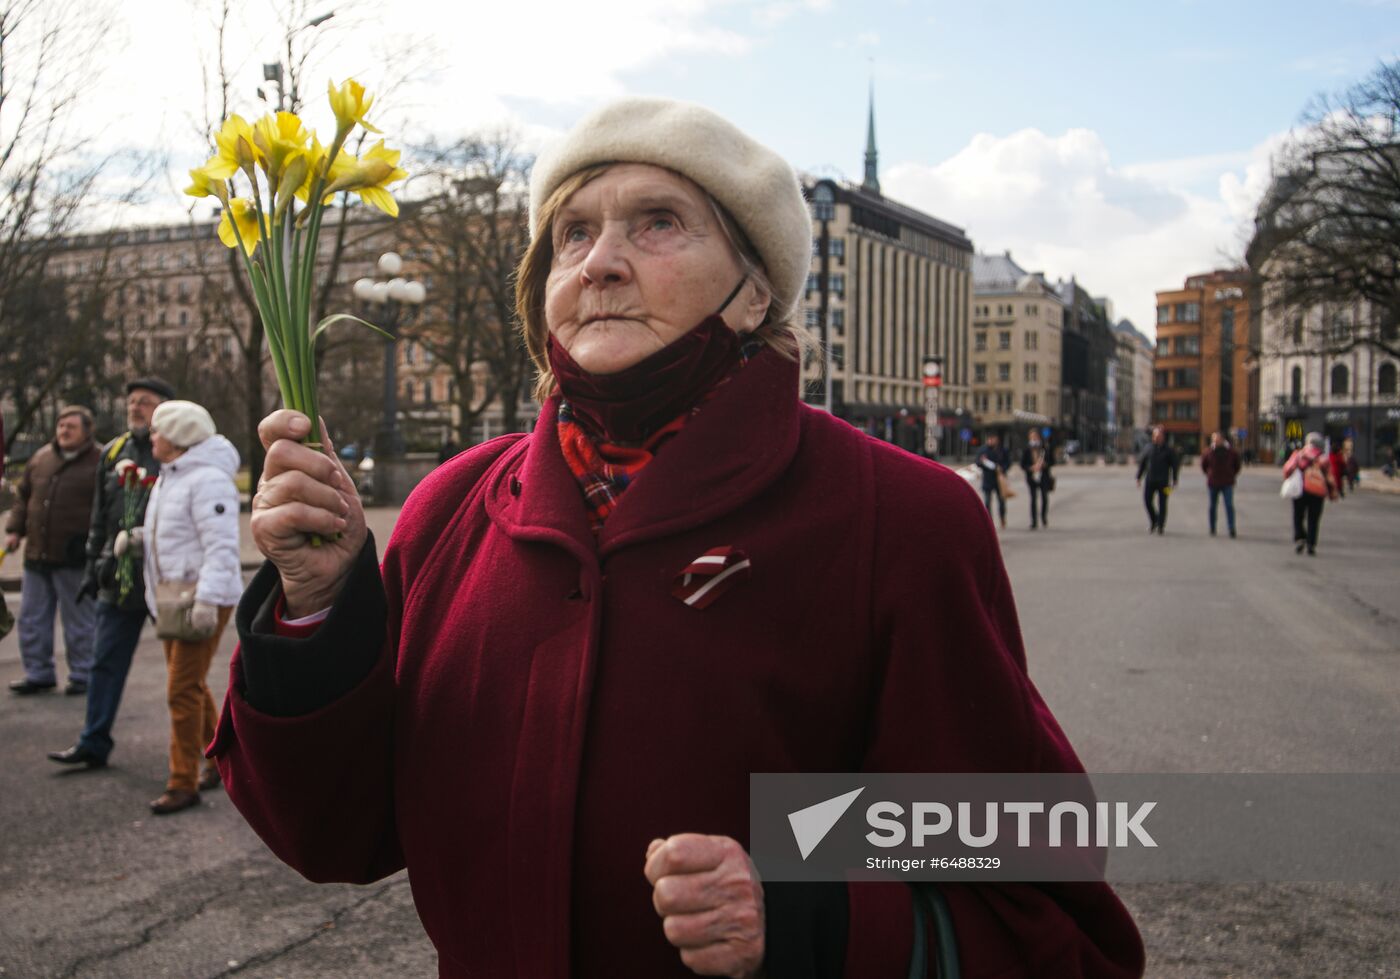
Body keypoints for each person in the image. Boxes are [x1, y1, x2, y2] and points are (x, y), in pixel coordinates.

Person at [210, 97, 1144, 977]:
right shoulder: (453, 508)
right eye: (573, 232)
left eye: (657, 222)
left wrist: (807, 916)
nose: (599, 262)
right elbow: (341, 834)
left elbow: (1035, 887)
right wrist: (321, 611)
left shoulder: (900, 520)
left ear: (753, 293)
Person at [48, 378, 173, 771]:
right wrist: (92, 567)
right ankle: (93, 740)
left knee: (184, 671)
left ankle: (207, 752)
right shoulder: (114, 451)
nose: (135, 408)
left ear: (167, 410)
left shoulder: (175, 452)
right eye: (132, 401)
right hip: (116, 576)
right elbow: (99, 516)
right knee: (104, 662)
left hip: (165, 579)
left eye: (145, 402)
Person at [140, 401, 242, 814]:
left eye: (157, 431)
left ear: (178, 436)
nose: (152, 437)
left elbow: (222, 546)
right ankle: (217, 758)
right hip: (176, 595)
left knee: (181, 688)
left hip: (200, 597)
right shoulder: (175, 476)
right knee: (190, 683)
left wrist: (207, 600)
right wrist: (137, 536)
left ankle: (183, 782)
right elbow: (175, 533)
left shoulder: (207, 480)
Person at [4, 407, 100, 694]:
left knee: (80, 620)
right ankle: (38, 672)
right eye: (60, 425)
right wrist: (14, 530)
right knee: (32, 618)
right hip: (37, 553)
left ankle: (83, 674)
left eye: (71, 426)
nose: (63, 430)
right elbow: (23, 497)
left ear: (87, 430)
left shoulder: (101, 459)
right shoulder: (41, 458)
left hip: (73, 556)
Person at [1283, 432, 1338, 556]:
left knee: (1298, 516)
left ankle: (1300, 538)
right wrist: (1333, 493)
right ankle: (1311, 544)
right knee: (1314, 519)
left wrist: (1289, 478)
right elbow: (1330, 478)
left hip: (1300, 490)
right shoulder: (1323, 459)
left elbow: (1287, 469)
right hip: (1317, 492)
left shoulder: (1298, 455)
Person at [1135, 426, 1179, 534]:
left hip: (1164, 482)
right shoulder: (1148, 448)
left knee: (1163, 503)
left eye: (1159, 436)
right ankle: (1154, 520)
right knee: (1147, 501)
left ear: (1163, 437)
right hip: (1150, 480)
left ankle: (1160, 525)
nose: (1157, 438)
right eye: (1155, 436)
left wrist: (1175, 479)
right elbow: (1143, 464)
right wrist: (1138, 477)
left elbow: (1174, 465)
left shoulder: (1169, 450)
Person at [1200, 431, 1241, 538]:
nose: (1215, 441)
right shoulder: (1208, 452)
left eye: (1217, 439)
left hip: (1227, 482)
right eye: (1214, 439)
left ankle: (1231, 528)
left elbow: (1237, 465)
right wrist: (1209, 474)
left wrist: (1232, 474)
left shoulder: (1231, 452)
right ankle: (1212, 527)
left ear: (1222, 440)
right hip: (1213, 482)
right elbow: (1204, 465)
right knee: (1212, 506)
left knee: (1229, 505)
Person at [975, 432, 1011, 528]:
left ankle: (1002, 517)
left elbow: (1008, 462)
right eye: (989, 439)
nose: (991, 441)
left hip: (999, 479)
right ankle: (989, 522)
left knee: (1001, 501)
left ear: (997, 440)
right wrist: (982, 461)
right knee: (987, 502)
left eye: (993, 439)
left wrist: (1002, 468)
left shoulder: (1002, 450)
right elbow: (977, 463)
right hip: (987, 479)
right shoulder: (983, 450)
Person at [1020, 431, 1053, 529]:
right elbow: (1022, 464)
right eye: (1032, 436)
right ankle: (1034, 521)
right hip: (1032, 477)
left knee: (1044, 498)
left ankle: (1043, 517)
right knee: (1033, 499)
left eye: (1035, 436)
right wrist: (1030, 468)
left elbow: (1052, 461)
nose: (1034, 438)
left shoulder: (1044, 448)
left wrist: (1045, 465)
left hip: (1043, 476)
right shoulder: (1026, 449)